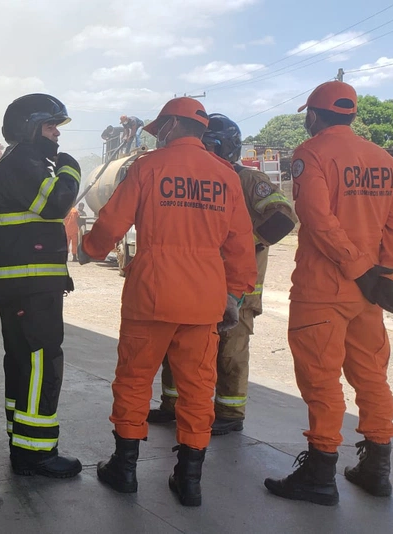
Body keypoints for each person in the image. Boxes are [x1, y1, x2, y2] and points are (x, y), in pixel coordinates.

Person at [79, 97, 257, 507]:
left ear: (174, 127)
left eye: (161, 130)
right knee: (198, 390)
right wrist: (234, 294)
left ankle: (124, 470)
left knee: (134, 380)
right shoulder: (226, 176)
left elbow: (112, 221)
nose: (158, 137)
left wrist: (89, 248)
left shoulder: (148, 167)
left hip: (152, 295)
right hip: (204, 299)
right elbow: (241, 244)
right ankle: (189, 481)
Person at [264, 81, 393, 506]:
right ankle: (375, 469)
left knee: (321, 377)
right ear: (349, 115)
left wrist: (359, 268)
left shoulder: (311, 154)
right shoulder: (383, 159)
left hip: (325, 289)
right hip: (368, 294)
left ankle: (319, 473)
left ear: (314, 115)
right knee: (371, 374)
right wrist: (386, 275)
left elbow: (315, 216)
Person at [148, 113, 297, 435]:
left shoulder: (248, 180)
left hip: (238, 288)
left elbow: (283, 218)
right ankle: (173, 404)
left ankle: (229, 413)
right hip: (196, 283)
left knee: (229, 351)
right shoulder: (199, 178)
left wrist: (242, 244)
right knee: (179, 347)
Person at [0, 93, 82, 478]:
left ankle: (22, 443)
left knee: (23, 362)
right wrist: (70, 169)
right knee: (43, 361)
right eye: (50, 125)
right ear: (29, 128)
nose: (57, 135)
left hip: (22, 283)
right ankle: (36, 454)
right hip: (30, 284)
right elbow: (56, 203)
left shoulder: (20, 161)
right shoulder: (26, 160)